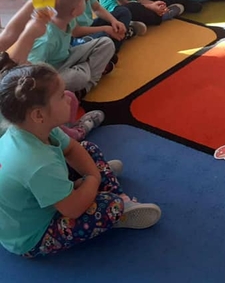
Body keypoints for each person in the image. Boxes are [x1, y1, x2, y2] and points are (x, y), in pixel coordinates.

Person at [0, 63, 162, 257]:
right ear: (38, 115)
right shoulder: (38, 164)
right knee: (111, 205)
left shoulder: (32, 130)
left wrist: (89, 178)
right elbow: (73, 209)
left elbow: (72, 149)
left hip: (44, 194)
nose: (69, 97)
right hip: (34, 236)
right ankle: (119, 205)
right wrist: (93, 178)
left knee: (87, 148)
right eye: (61, 96)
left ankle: (105, 188)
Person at [0, 2, 105, 141]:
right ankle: (71, 136)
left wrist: (34, 4)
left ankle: (67, 130)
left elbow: (8, 35)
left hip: (25, 116)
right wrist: (30, 34)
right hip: (19, 130)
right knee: (54, 118)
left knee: (69, 98)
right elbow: (12, 51)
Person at [27, 0, 115, 100]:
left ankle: (86, 83)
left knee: (106, 43)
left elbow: (76, 31)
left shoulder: (69, 19)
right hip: (53, 71)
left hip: (68, 56)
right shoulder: (46, 38)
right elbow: (32, 70)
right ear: (74, 10)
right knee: (79, 77)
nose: (86, 1)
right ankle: (88, 78)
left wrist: (104, 29)